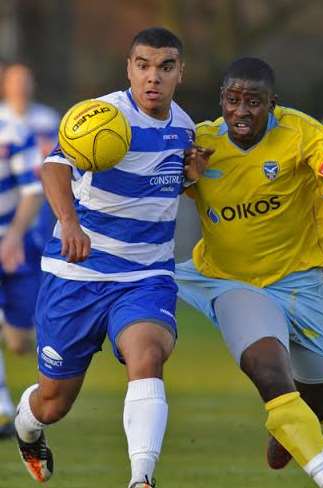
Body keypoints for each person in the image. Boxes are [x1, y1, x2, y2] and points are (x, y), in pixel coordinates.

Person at [14, 27, 208, 488]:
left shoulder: (184, 128)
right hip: (77, 274)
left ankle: (141, 478)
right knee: (54, 402)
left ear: (181, 72)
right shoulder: (101, 116)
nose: (153, 77)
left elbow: (157, 189)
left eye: (165, 67)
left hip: (146, 275)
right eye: (143, 65)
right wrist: (71, 223)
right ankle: (27, 424)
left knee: (147, 355)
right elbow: (54, 166)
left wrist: (190, 179)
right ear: (129, 68)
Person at [176, 57, 323, 487]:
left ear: (272, 104)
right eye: (233, 100)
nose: (242, 111)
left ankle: (289, 425)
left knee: (315, 392)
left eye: (254, 102)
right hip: (226, 279)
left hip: (297, 280)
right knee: (268, 368)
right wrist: (186, 180)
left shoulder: (300, 134)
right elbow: (163, 192)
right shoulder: (201, 142)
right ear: (222, 99)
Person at [0, 94, 43, 436]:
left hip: (14, 245)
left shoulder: (14, 132)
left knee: (19, 341)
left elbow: (33, 190)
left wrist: (14, 236)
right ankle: (2, 408)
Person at [0, 62, 60, 248]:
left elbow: (60, 155)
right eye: (15, 82)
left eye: (25, 82)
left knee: (37, 242)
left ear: (33, 85)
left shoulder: (47, 118)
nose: (20, 87)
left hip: (41, 191)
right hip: (9, 193)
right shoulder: (3, 119)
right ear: (5, 85)